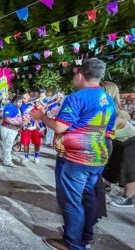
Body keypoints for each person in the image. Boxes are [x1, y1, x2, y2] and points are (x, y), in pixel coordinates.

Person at [31, 58, 116, 250]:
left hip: (76, 158)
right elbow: (108, 130)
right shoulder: (107, 99)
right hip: (98, 155)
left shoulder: (77, 97)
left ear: (79, 74)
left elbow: (60, 126)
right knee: (89, 197)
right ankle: (85, 236)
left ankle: (72, 243)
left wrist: (42, 117)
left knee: (71, 201)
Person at [101, 81, 135, 207]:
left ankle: (128, 198)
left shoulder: (119, 114)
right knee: (113, 166)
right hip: (119, 142)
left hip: (131, 142)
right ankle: (105, 186)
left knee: (128, 170)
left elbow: (104, 134)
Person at [20, 93, 43, 164]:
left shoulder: (35, 104)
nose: (23, 99)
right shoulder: (21, 105)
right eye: (22, 98)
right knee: (25, 143)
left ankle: (36, 157)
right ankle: (26, 157)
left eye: (25, 98)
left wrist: (37, 104)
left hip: (35, 127)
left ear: (29, 97)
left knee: (37, 143)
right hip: (26, 127)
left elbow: (42, 111)